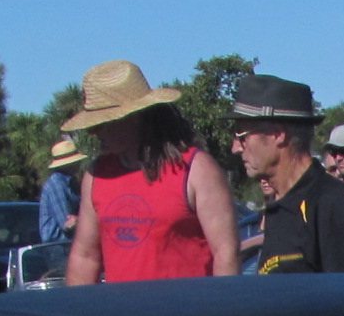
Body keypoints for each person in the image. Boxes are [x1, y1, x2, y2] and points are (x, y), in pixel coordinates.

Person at [64, 62, 239, 285]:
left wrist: (220, 314)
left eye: (103, 123)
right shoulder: (97, 175)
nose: (93, 131)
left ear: (134, 117)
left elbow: (226, 254)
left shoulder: (196, 169)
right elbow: (85, 256)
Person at [229, 76, 344, 276]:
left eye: (242, 137)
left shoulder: (332, 203)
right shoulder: (280, 207)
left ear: (278, 134)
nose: (235, 148)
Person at [35, 138, 82, 247]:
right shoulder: (57, 184)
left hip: (65, 244)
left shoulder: (70, 182)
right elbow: (66, 224)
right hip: (57, 245)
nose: (79, 163)